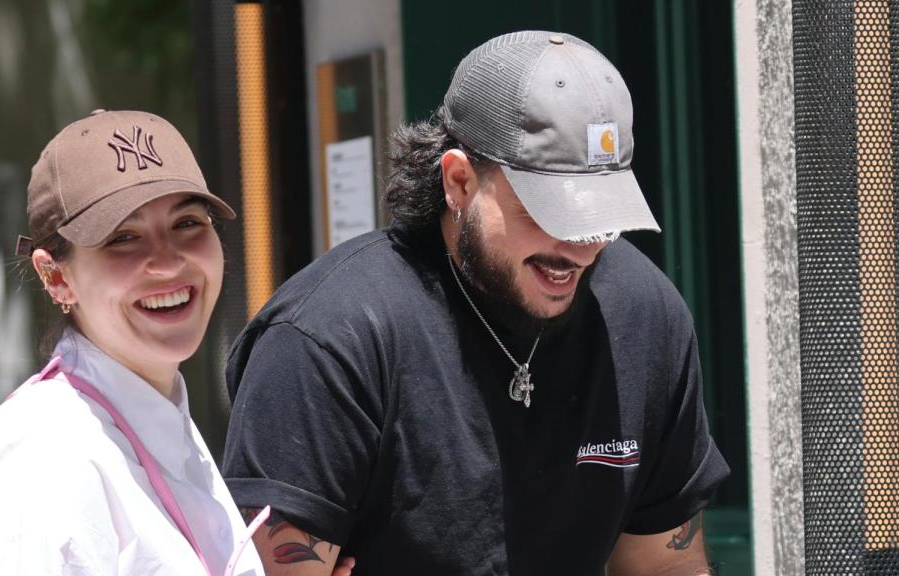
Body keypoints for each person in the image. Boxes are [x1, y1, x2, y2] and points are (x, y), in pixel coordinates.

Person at [221, 31, 730, 575]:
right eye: (549, 210)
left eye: (600, 217)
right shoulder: (330, 336)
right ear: (459, 181)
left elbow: (666, 565)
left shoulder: (644, 315)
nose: (579, 247)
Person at [0, 110, 268, 575]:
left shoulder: (153, 418)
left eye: (186, 223)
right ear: (55, 276)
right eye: (123, 237)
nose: (166, 261)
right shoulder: (43, 467)